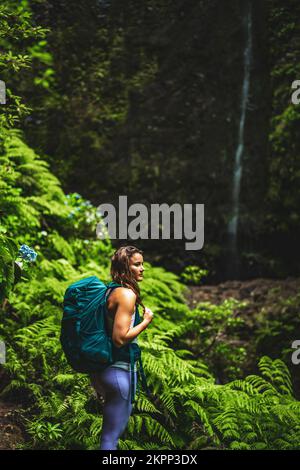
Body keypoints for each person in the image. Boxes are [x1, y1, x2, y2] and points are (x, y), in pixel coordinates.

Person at [89, 245, 154, 450]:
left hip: (108, 370)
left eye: (142, 264)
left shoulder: (111, 290)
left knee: (110, 436)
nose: (142, 269)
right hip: (119, 372)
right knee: (110, 439)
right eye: (137, 264)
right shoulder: (126, 295)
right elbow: (119, 339)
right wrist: (145, 322)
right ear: (125, 267)